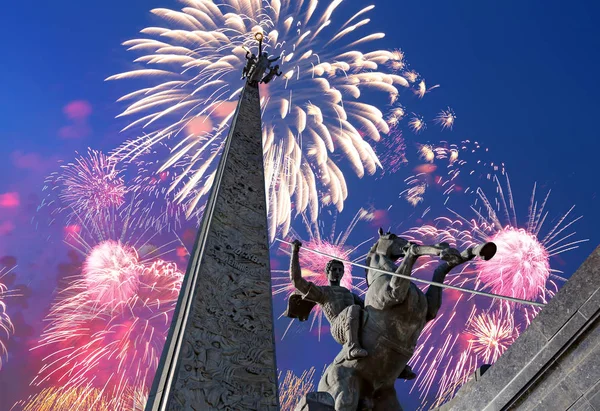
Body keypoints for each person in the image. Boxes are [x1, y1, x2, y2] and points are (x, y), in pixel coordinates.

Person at [286, 240, 368, 360]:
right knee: (354, 308)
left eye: (340, 270)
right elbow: (297, 281)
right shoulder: (323, 292)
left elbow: (368, 307)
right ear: (327, 272)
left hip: (355, 325)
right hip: (338, 328)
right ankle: (351, 347)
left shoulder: (348, 293)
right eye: (334, 269)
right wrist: (295, 251)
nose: (337, 272)